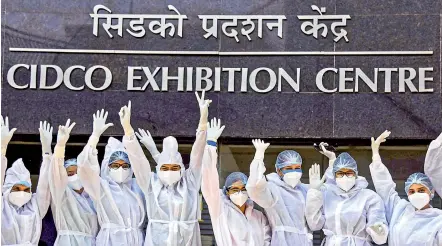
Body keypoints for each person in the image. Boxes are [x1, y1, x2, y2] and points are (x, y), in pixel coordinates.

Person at [122, 91, 210, 246]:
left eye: (175, 167)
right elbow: (138, 160)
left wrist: (203, 122)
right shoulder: (151, 184)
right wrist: (129, 132)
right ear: (158, 169)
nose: (170, 171)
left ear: (182, 169)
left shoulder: (190, 183)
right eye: (165, 168)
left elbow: (197, 154)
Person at [76, 110, 146, 245]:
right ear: (107, 167)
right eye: (115, 165)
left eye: (125, 165)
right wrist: (95, 136)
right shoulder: (101, 188)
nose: (120, 169)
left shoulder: (138, 188)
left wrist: (128, 130)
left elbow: (142, 163)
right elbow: (83, 166)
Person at [201, 118, 271, 246]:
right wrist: (210, 144)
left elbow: (267, 241)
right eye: (234, 189)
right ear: (226, 192)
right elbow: (208, 178)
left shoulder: (259, 216)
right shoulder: (220, 210)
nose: (240, 192)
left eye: (243, 189)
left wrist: (259, 156)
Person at [370, 130, 442, 245]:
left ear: (431, 192)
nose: (416, 194)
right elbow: (384, 186)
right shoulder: (400, 210)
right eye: (412, 191)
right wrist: (375, 156)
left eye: (421, 190)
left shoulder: (438, 219)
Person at [306, 150, 389, 246]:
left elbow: (379, 232)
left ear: (356, 175)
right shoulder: (327, 196)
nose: (344, 177)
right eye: (340, 173)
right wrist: (314, 192)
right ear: (334, 176)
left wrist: (379, 230)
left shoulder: (369, 197)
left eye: (349, 173)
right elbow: (314, 225)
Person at [246, 139, 312, 246]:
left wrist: (332, 161)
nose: (293, 172)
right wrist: (259, 157)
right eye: (288, 168)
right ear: (279, 170)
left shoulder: (304, 190)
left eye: (297, 168)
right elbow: (255, 187)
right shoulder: (273, 189)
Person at [49, 116, 103, 245]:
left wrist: (95, 136)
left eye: (77, 172)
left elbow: (89, 165)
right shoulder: (61, 195)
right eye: (70, 173)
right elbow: (55, 172)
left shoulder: (93, 196)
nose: (74, 176)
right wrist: (60, 146)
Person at [1, 116, 51, 245]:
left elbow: (45, 185)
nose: (22, 192)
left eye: (26, 189)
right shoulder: (2, 206)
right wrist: (2, 148)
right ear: (7, 189)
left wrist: (47, 152)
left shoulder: (35, 206)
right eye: (17, 188)